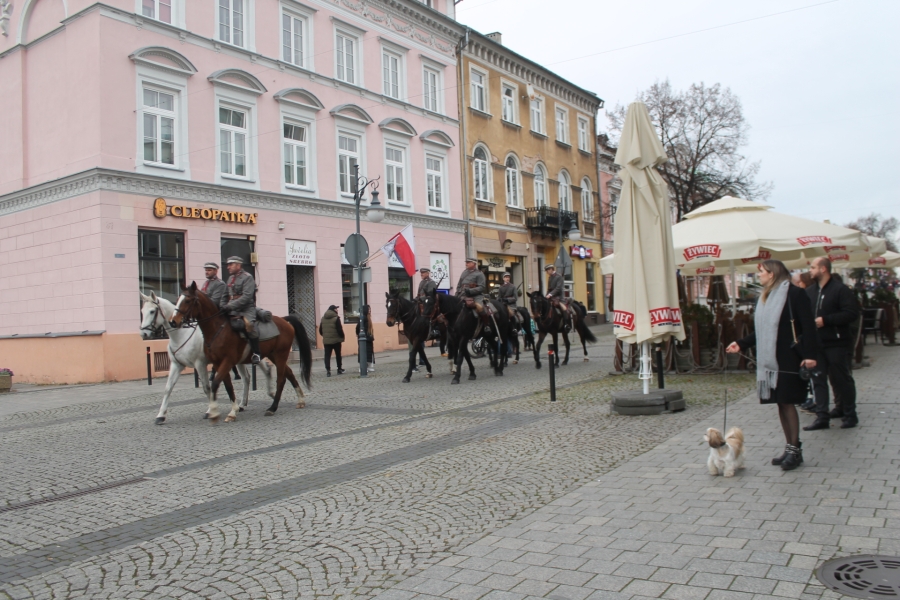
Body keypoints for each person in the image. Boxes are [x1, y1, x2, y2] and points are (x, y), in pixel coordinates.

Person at [726, 260, 817, 471]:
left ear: (772, 273)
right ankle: (791, 447)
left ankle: (794, 450)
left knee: (787, 401)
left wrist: (811, 355)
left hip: (789, 357)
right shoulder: (766, 296)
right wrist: (741, 343)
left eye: (762, 272)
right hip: (771, 360)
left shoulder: (795, 294)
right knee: (781, 403)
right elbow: (763, 330)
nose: (759, 275)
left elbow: (809, 326)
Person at [803, 257, 859, 430]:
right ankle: (822, 416)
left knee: (841, 379)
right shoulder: (810, 291)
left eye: (813, 267)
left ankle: (850, 414)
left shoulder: (840, 290)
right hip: (816, 343)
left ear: (823, 269)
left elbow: (851, 313)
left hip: (837, 342)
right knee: (818, 380)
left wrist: (826, 320)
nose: (810, 270)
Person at [224, 256, 261, 365]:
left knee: (249, 325)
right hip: (233, 308)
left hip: (246, 308)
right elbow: (227, 294)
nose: (228, 267)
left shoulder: (248, 277)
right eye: (228, 265)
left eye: (231, 264)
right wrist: (222, 306)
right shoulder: (230, 278)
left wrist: (230, 306)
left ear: (238, 265)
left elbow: (247, 297)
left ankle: (256, 353)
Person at [455, 258, 489, 330]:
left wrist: (470, 291)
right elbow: (459, 285)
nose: (466, 264)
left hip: (475, 296)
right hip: (463, 295)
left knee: (480, 308)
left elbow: (482, 287)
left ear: (474, 264)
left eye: (468, 262)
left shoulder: (480, 274)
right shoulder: (464, 272)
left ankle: (486, 325)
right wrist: (457, 294)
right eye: (466, 262)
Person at [319, 305, 345, 377]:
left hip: (327, 341)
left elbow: (320, 330)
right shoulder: (336, 318)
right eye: (336, 309)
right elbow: (339, 329)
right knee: (338, 355)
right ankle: (339, 369)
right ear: (334, 310)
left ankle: (328, 371)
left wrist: (325, 336)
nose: (337, 310)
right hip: (336, 340)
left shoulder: (323, 318)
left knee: (327, 355)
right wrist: (342, 336)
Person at [545, 264, 572, 332]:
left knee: (563, 308)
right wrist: (546, 295)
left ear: (551, 269)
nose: (547, 272)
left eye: (547, 270)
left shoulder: (559, 277)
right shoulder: (550, 277)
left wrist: (550, 294)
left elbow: (558, 288)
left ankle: (566, 324)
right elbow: (549, 288)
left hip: (559, 297)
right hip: (552, 297)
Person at [355, 305, 375, 373]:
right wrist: (360, 334)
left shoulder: (367, 317)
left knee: (368, 352)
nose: (370, 310)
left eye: (370, 309)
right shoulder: (363, 318)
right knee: (364, 352)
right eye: (368, 309)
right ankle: (362, 367)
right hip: (364, 337)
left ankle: (368, 366)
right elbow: (358, 327)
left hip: (368, 337)